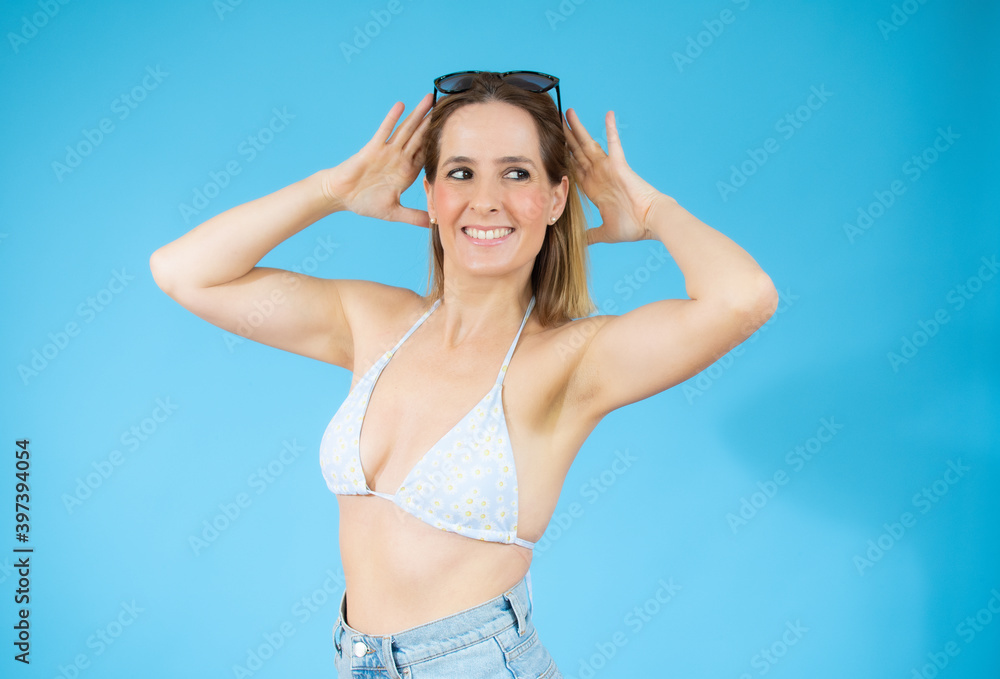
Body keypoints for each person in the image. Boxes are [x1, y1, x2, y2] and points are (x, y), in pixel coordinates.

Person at [149, 70, 778, 678]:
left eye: (517, 173)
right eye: (461, 172)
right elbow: (185, 271)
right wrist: (331, 192)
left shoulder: (574, 360)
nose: (486, 200)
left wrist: (649, 208)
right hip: (358, 660)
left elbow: (743, 298)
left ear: (557, 198)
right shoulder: (374, 322)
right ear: (431, 192)